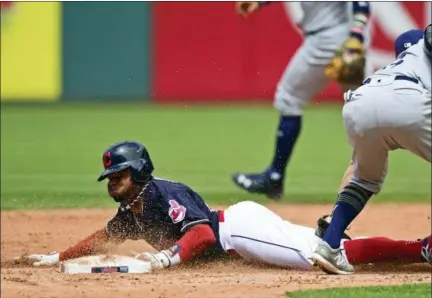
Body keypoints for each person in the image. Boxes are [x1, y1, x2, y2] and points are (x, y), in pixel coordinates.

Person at [15, 141, 431, 271]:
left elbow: (202, 233)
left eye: (120, 175)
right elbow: (102, 239)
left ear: (139, 172)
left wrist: (165, 259)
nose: (114, 183)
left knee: (320, 258)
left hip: (238, 229)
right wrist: (56, 257)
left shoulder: (161, 192)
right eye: (111, 178)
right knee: (326, 248)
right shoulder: (133, 211)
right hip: (243, 239)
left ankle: (418, 250)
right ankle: (421, 249)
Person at [312, 24, 432, 275]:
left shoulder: (408, 55)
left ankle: (329, 246)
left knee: (363, 179)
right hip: (407, 99)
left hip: (360, 101)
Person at [231, 1, 372, 200]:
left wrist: (356, 35)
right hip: (343, 38)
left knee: (289, 98)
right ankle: (368, 175)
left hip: (327, 39)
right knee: (361, 105)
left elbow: (361, 3)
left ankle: (275, 175)